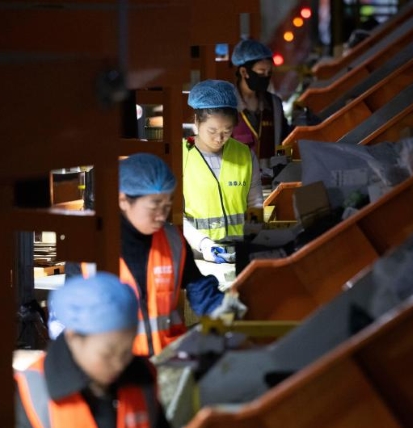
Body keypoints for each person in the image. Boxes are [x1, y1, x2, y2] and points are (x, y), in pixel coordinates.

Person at [15, 272, 170, 428]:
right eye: (109, 352)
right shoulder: (32, 391)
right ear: (75, 337)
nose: (120, 362)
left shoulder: (141, 379)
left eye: (127, 349)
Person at [59, 153, 244, 356]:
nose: (162, 215)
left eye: (167, 205)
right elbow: (71, 320)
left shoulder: (173, 240)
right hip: (116, 366)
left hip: (168, 362)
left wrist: (224, 312)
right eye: (154, 205)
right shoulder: (88, 248)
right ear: (123, 200)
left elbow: (199, 289)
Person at [183, 79, 264, 262]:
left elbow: (255, 202)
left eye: (227, 131)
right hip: (199, 254)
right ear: (196, 121)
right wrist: (204, 244)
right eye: (212, 131)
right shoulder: (181, 157)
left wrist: (254, 237)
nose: (219, 138)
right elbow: (176, 216)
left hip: (240, 249)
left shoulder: (245, 154)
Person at [231, 39, 291, 164]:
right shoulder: (228, 105)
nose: (266, 77)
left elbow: (285, 140)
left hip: (272, 180)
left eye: (269, 73)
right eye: (261, 72)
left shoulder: (274, 105)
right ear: (244, 72)